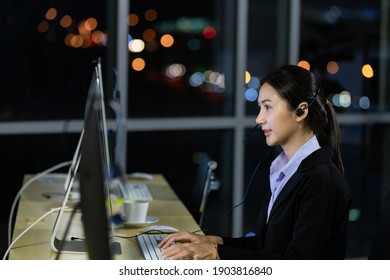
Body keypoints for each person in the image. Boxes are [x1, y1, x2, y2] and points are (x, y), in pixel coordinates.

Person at [158, 64, 352, 260]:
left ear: (301, 111)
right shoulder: (287, 171)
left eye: (268, 107)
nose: (259, 119)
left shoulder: (321, 181)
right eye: (260, 108)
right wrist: (211, 242)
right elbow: (266, 248)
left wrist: (217, 254)